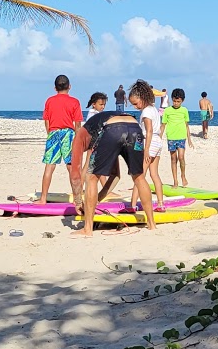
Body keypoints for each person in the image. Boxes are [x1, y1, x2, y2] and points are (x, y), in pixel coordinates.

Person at [73, 87, 155, 236]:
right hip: (134, 129)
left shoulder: (80, 137)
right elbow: (116, 175)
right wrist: (98, 198)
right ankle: (152, 224)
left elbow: (75, 174)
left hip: (113, 130)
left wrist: (78, 202)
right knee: (139, 176)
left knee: (91, 178)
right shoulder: (98, 131)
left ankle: (88, 229)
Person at [37, 74, 84, 203]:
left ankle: (43, 198)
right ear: (69, 87)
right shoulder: (74, 102)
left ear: (55, 88)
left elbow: (46, 120)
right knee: (72, 167)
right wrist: (78, 140)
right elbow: (78, 124)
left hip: (54, 132)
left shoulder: (50, 101)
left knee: (49, 167)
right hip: (68, 134)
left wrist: (50, 134)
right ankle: (77, 198)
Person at [134, 82, 166, 206]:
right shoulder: (154, 110)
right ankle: (160, 203)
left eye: (136, 104)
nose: (135, 107)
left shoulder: (147, 112)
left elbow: (149, 130)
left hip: (150, 142)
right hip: (157, 141)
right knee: (154, 174)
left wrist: (146, 150)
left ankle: (132, 205)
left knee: (140, 176)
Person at [162, 88, 193, 187]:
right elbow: (163, 125)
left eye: (178, 101)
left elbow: (186, 125)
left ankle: (183, 176)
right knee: (173, 158)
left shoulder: (184, 110)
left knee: (181, 157)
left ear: (182, 101)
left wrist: (189, 139)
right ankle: (175, 180)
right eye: (174, 101)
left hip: (181, 137)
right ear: (171, 99)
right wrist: (158, 137)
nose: (176, 103)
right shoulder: (167, 111)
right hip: (171, 137)